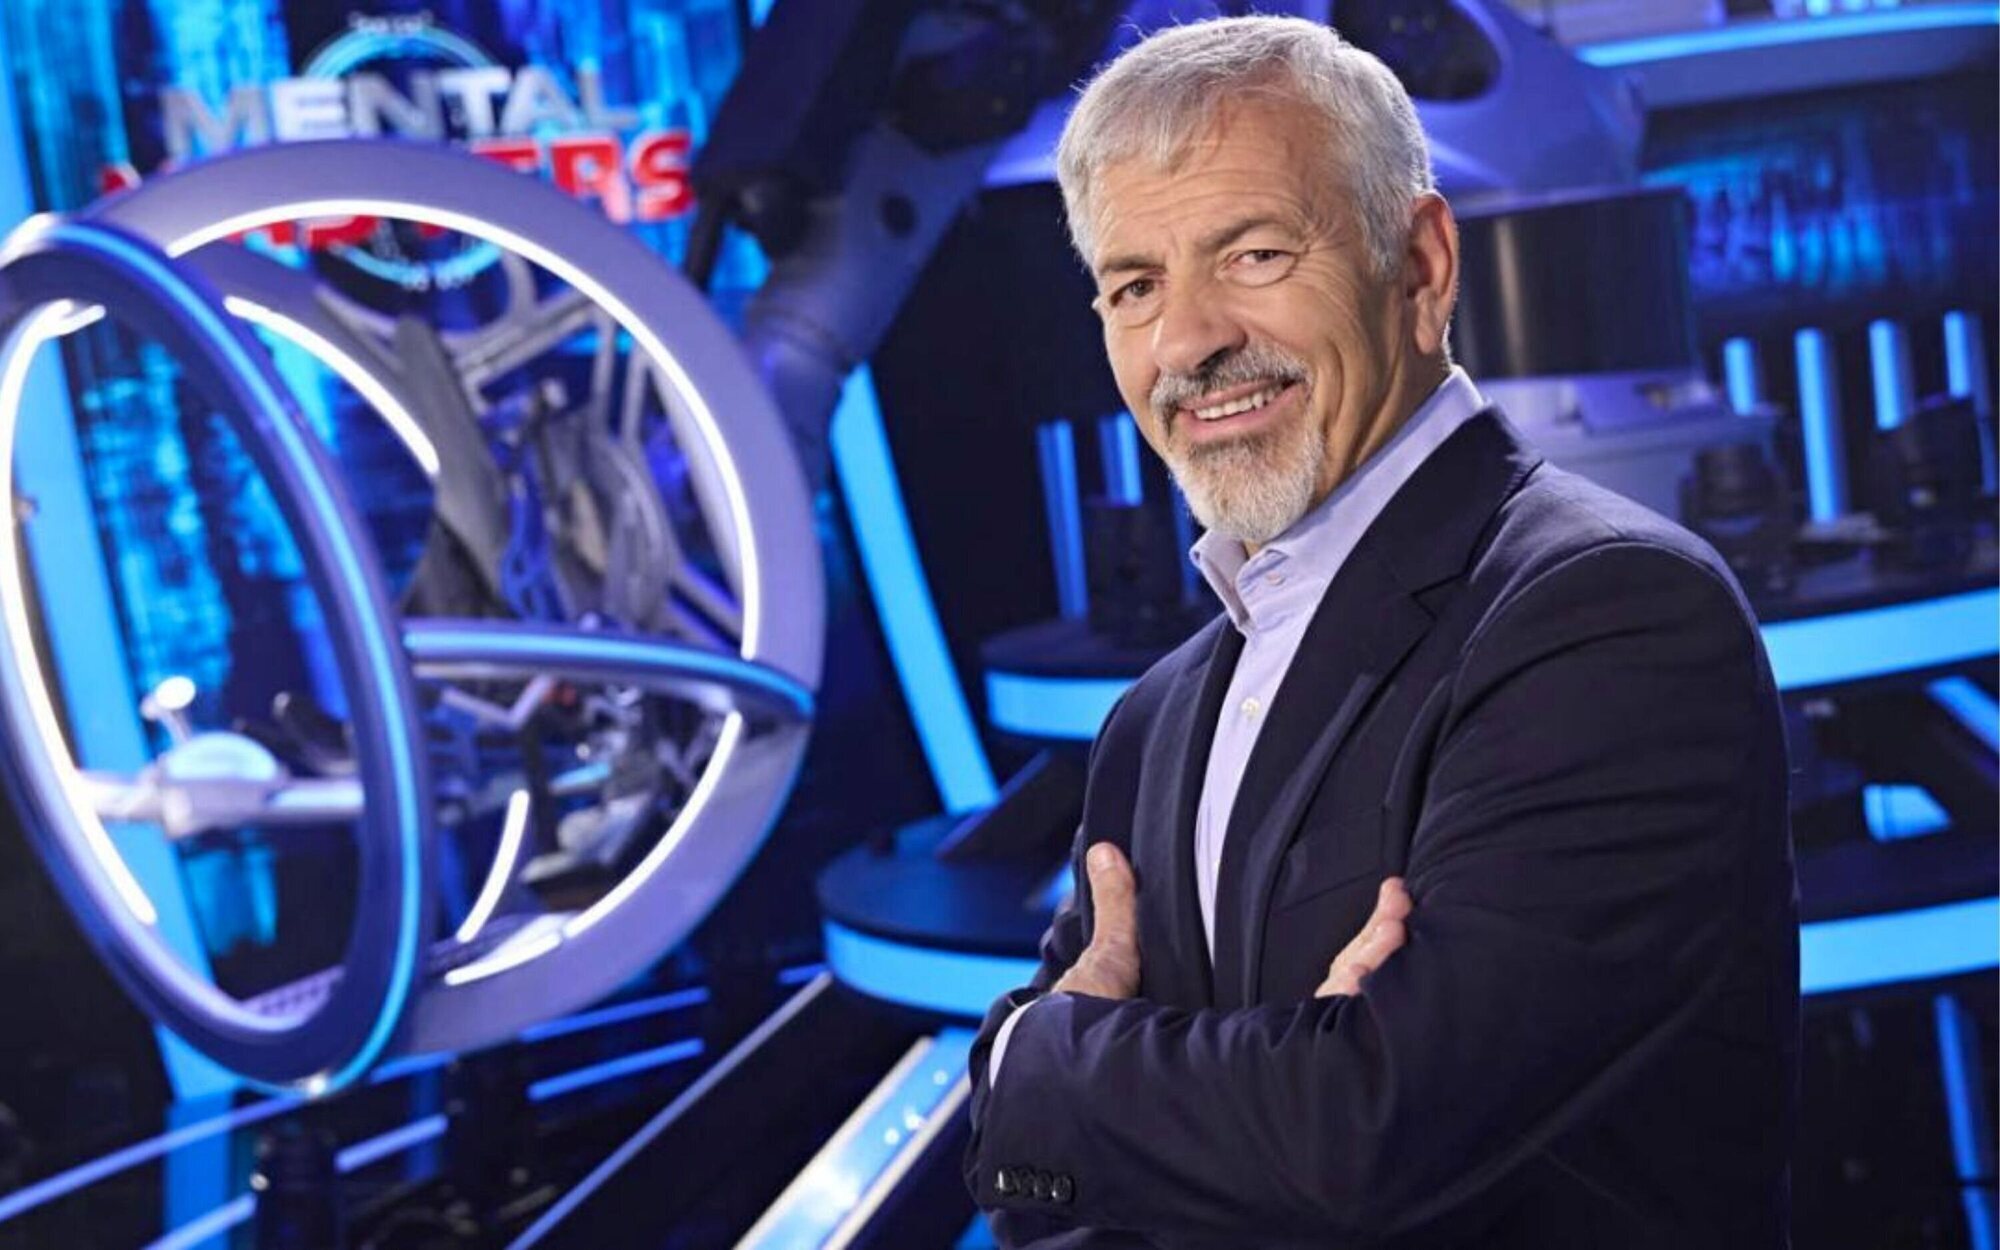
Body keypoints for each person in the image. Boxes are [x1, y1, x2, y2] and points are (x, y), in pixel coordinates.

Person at [962, 16, 1798, 1249]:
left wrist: (1033, 1056)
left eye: (1252, 254)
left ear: (1416, 265)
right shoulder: (1154, 718)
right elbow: (1036, 1196)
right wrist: (1262, 1084)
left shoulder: (1610, 612)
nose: (1186, 340)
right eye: (1134, 286)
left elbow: (1363, 1136)